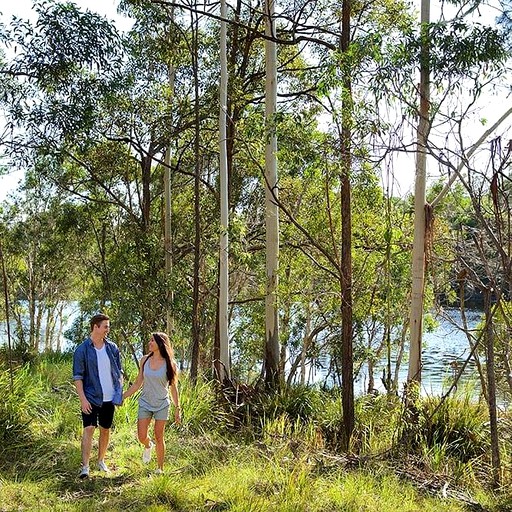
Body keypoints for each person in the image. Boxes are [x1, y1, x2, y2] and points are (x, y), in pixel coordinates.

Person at [72, 313, 123, 479]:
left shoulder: (112, 348)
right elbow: (78, 377)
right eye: (106, 326)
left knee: (105, 430)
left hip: (109, 398)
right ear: (96, 327)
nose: (108, 329)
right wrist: (83, 399)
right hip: (91, 397)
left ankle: (101, 461)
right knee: (88, 429)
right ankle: (85, 467)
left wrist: (118, 391)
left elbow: (118, 371)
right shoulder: (82, 350)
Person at [123, 332, 181, 474]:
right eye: (149, 340)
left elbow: (173, 388)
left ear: (160, 343)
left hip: (162, 403)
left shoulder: (170, 364)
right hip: (145, 402)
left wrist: (177, 408)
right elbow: (137, 383)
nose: (149, 343)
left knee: (159, 435)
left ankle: (160, 469)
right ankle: (148, 446)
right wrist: (122, 397)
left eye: (152, 341)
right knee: (141, 436)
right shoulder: (144, 360)